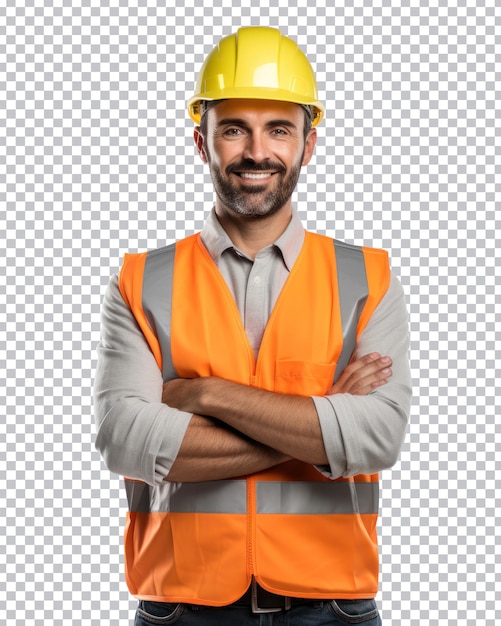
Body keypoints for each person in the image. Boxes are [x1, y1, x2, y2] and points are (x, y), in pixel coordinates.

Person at [94, 26, 411, 626]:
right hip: (181, 608)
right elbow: (125, 439)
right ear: (201, 142)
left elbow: (377, 438)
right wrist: (320, 425)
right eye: (234, 128)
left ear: (308, 145)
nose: (256, 151)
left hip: (332, 608)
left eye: (280, 129)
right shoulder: (139, 281)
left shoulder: (368, 277)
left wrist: (205, 395)